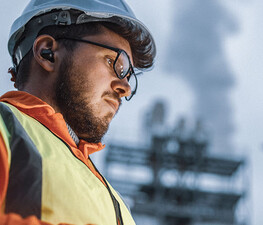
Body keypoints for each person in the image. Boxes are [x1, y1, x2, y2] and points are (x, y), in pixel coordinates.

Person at [0, 0, 156, 224]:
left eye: (129, 75)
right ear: (47, 53)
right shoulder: (5, 131)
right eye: (115, 62)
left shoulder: (113, 199)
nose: (125, 87)